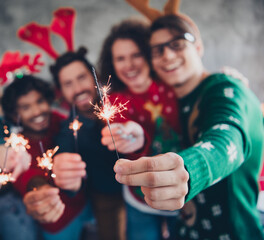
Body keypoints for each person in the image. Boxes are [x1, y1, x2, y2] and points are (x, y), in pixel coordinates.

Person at [114, 14, 264, 239]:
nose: (167, 55)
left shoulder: (226, 89)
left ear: (199, 46)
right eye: (157, 50)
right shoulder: (168, 102)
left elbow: (227, 138)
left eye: (177, 44)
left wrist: (189, 169)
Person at [98, 18, 181, 240]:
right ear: (112, 64)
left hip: (180, 192)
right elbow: (126, 138)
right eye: (120, 58)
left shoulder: (173, 87)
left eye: (136, 55)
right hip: (139, 198)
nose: (129, 65)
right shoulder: (114, 101)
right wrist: (133, 139)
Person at [50, 47, 139, 240]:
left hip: (141, 189)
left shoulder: (123, 102)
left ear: (94, 76)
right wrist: (66, 175)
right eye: (68, 83)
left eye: (81, 77)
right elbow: (63, 157)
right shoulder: (68, 130)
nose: (77, 88)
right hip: (105, 200)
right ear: (61, 91)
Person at [0, 75, 90, 240]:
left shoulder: (63, 122)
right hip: (56, 224)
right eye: (26, 107)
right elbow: (26, 176)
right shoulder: (17, 145)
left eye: (40, 101)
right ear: (15, 114)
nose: (37, 111)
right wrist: (40, 189)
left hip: (85, 207)